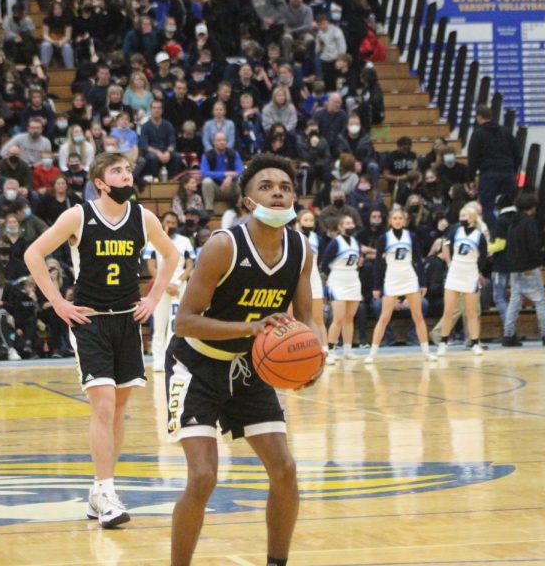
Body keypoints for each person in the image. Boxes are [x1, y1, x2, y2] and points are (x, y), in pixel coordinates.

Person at [165, 153, 322, 566]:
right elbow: (184, 322)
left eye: (285, 187)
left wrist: (314, 359)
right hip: (195, 364)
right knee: (203, 477)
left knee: (285, 470)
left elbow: (307, 318)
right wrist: (250, 328)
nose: (277, 192)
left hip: (249, 368)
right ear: (247, 201)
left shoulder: (301, 250)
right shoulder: (223, 246)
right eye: (266, 186)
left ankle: (277, 562)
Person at [24, 152, 178, 528]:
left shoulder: (143, 217)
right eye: (117, 171)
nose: (126, 175)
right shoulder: (79, 216)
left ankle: (99, 490)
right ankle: (107, 491)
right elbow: (33, 253)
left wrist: (155, 296)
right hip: (90, 321)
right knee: (104, 403)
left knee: (118, 406)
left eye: (127, 169)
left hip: (127, 319)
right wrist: (59, 303)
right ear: (101, 183)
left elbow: (172, 255)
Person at [366, 209, 436, 363]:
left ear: (404, 221)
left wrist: (423, 282)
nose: (398, 220)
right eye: (395, 218)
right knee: (384, 317)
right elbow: (378, 264)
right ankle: (372, 353)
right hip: (392, 279)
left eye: (400, 218)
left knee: (418, 316)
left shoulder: (411, 236)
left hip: (410, 278)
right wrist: (376, 287)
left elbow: (418, 260)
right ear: (390, 221)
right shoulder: (384, 238)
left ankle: (426, 352)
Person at [501, 194, 545, 347]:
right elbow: (533, 246)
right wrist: (540, 261)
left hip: (514, 268)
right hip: (528, 267)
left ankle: (508, 335)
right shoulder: (529, 223)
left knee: (514, 302)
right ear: (531, 208)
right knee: (539, 300)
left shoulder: (512, 223)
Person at [144, 211, 196, 372]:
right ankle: (159, 361)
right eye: (168, 222)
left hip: (179, 287)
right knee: (160, 325)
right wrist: (163, 282)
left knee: (177, 325)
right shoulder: (154, 241)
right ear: (162, 222)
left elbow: (190, 265)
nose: (171, 225)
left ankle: (175, 359)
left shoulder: (185, 241)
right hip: (161, 287)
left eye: (173, 222)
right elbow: (151, 265)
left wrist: (179, 282)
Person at [437, 205, 489, 356]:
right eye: (461, 215)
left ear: (472, 218)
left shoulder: (479, 236)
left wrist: (478, 271)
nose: (461, 218)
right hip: (454, 273)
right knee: (448, 310)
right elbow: (445, 246)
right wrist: (448, 263)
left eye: (464, 215)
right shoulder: (455, 230)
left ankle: (474, 343)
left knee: (471, 312)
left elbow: (484, 257)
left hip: (470, 274)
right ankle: (443, 342)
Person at [467, 104, 520, 228]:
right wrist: (513, 170)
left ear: (479, 117)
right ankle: (508, 233)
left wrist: (471, 179)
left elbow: (472, 159)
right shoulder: (505, 131)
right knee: (508, 206)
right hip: (507, 173)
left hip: (488, 174)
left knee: (488, 207)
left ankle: (494, 236)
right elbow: (517, 153)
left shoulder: (478, 134)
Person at [321, 214, 362, 363]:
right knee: (338, 318)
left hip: (353, 280)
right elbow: (324, 264)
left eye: (351, 223)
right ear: (340, 227)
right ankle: (330, 351)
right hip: (337, 280)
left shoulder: (356, 242)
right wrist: (330, 279)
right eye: (347, 223)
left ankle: (347, 350)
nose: (350, 225)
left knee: (349, 318)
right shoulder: (335, 243)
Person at [296, 209, 328, 352]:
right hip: (295, 279)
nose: (309, 223)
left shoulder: (318, 239)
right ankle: (298, 350)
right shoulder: (292, 237)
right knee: (294, 319)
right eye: (305, 220)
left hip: (313, 278)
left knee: (318, 318)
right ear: (298, 222)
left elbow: (321, 260)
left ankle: (324, 349)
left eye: (311, 220)